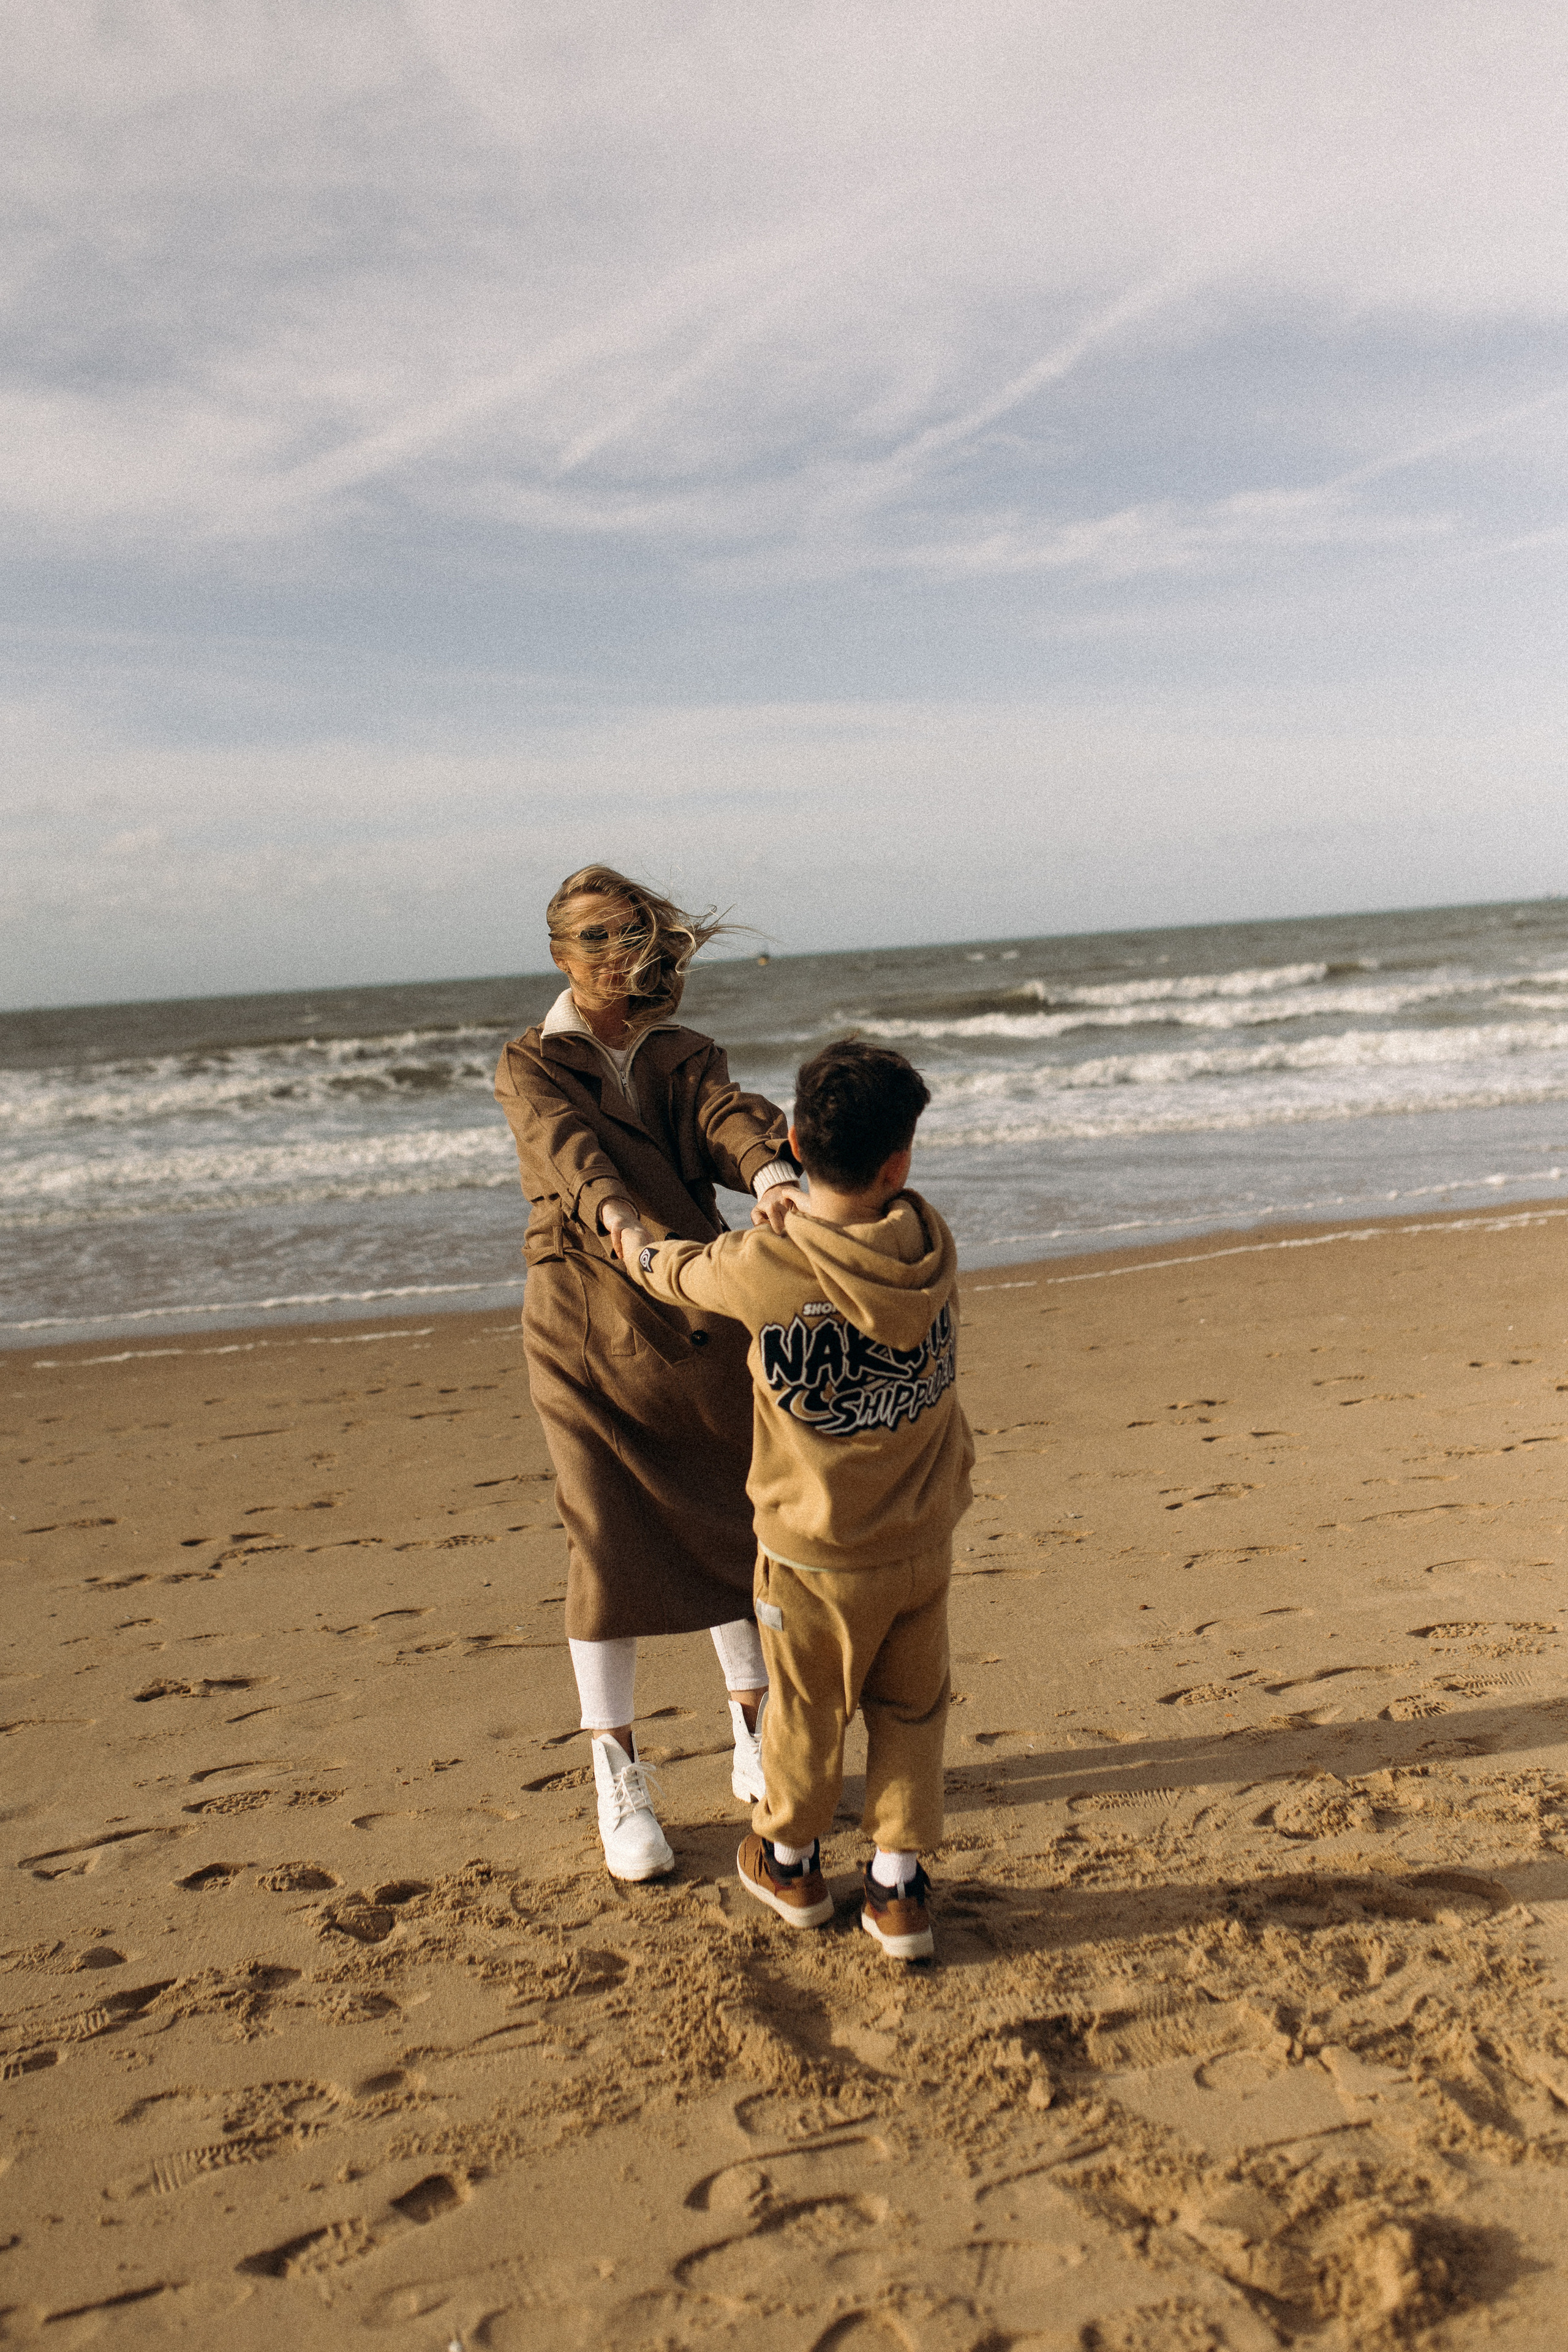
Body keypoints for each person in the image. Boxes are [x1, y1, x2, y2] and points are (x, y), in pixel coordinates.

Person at [615, 1038, 974, 1961]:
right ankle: (898, 1891)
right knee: (910, 1710)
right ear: (900, 1161)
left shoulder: (763, 1265)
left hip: (812, 1550)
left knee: (806, 1710)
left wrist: (629, 1238)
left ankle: (791, 1859)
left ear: (798, 1150)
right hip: (921, 1537)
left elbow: (675, 1272)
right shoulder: (929, 1243)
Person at [494, 865, 807, 1880]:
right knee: (609, 1534)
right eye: (593, 937)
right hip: (588, 1315)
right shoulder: (531, 1061)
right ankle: (615, 1771)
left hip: (695, 1303)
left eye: (629, 931)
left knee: (730, 1517)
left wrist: (774, 1177)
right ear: (558, 956)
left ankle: (754, 1731)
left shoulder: (682, 1050)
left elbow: (727, 1117)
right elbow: (568, 1152)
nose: (617, 950)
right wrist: (622, 1224)